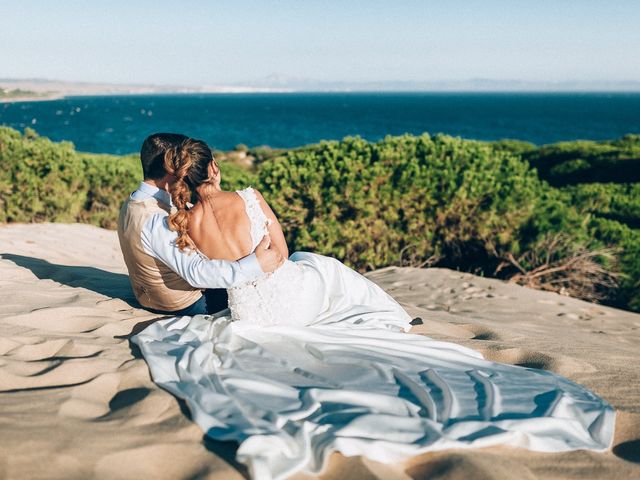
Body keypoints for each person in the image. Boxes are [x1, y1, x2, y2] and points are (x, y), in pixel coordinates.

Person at [133, 137, 615, 480]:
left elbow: (211, 272)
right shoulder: (250, 197)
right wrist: (262, 262)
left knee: (317, 270)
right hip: (287, 296)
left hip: (250, 316)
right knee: (327, 268)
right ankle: (396, 318)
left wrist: (245, 268)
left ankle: (381, 317)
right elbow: (279, 252)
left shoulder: (182, 222)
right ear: (213, 168)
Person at [117, 133, 284, 316]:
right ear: (171, 168)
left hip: (150, 297)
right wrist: (256, 264)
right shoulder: (156, 219)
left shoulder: (135, 201)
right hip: (186, 305)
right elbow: (196, 272)